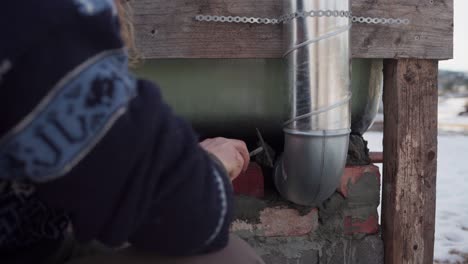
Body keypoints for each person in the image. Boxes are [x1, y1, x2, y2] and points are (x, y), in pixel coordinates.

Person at [0, 0, 264, 263]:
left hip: (24, 236)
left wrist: (155, 163)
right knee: (230, 258)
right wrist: (211, 166)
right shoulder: (43, 21)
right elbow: (190, 215)